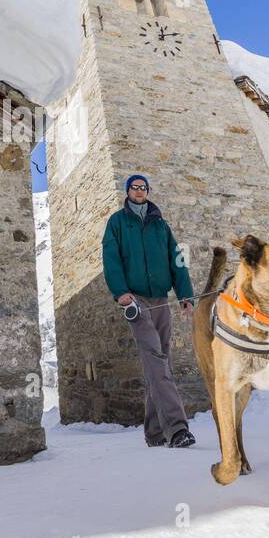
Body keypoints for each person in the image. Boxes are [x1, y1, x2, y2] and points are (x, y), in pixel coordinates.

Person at [102, 173, 197, 448]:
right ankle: (177, 429)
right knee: (156, 359)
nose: (139, 191)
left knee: (160, 362)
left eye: (143, 188)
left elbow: (177, 258)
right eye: (134, 188)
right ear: (127, 192)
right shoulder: (117, 223)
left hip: (162, 300)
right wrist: (120, 292)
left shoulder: (161, 225)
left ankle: (154, 433)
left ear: (148, 191)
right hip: (136, 300)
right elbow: (110, 258)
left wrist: (185, 294)